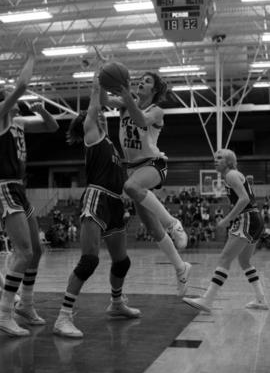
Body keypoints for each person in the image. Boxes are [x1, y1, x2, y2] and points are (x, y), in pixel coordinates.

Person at [53, 68, 141, 339]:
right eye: (97, 112)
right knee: (89, 260)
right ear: (88, 122)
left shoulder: (110, 141)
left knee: (122, 262)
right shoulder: (92, 133)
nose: (102, 112)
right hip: (97, 197)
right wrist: (99, 74)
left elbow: (102, 101)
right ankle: (63, 317)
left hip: (115, 202)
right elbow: (96, 98)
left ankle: (116, 303)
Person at [97, 51, 190, 295]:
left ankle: (173, 222)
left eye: (147, 81)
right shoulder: (123, 106)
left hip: (154, 164)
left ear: (155, 90)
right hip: (134, 168)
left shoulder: (157, 110)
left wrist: (126, 95)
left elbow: (140, 120)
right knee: (151, 227)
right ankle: (181, 268)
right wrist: (102, 71)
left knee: (130, 188)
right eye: (141, 79)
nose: (141, 82)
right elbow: (102, 99)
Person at [0, 53, 59, 336]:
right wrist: (32, 57)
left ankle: (27, 305)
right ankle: (4, 312)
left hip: (19, 188)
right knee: (23, 252)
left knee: (36, 251)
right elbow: (22, 84)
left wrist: (43, 110)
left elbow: (53, 127)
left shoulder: (19, 122)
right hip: (3, 187)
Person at [183, 149, 268, 313]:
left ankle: (207, 300)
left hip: (248, 218)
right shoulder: (233, 176)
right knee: (244, 262)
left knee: (224, 258)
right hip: (255, 219)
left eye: (220, 158)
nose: (215, 160)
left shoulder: (231, 175)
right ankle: (261, 299)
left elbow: (244, 199)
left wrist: (227, 219)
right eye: (215, 158)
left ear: (229, 161)